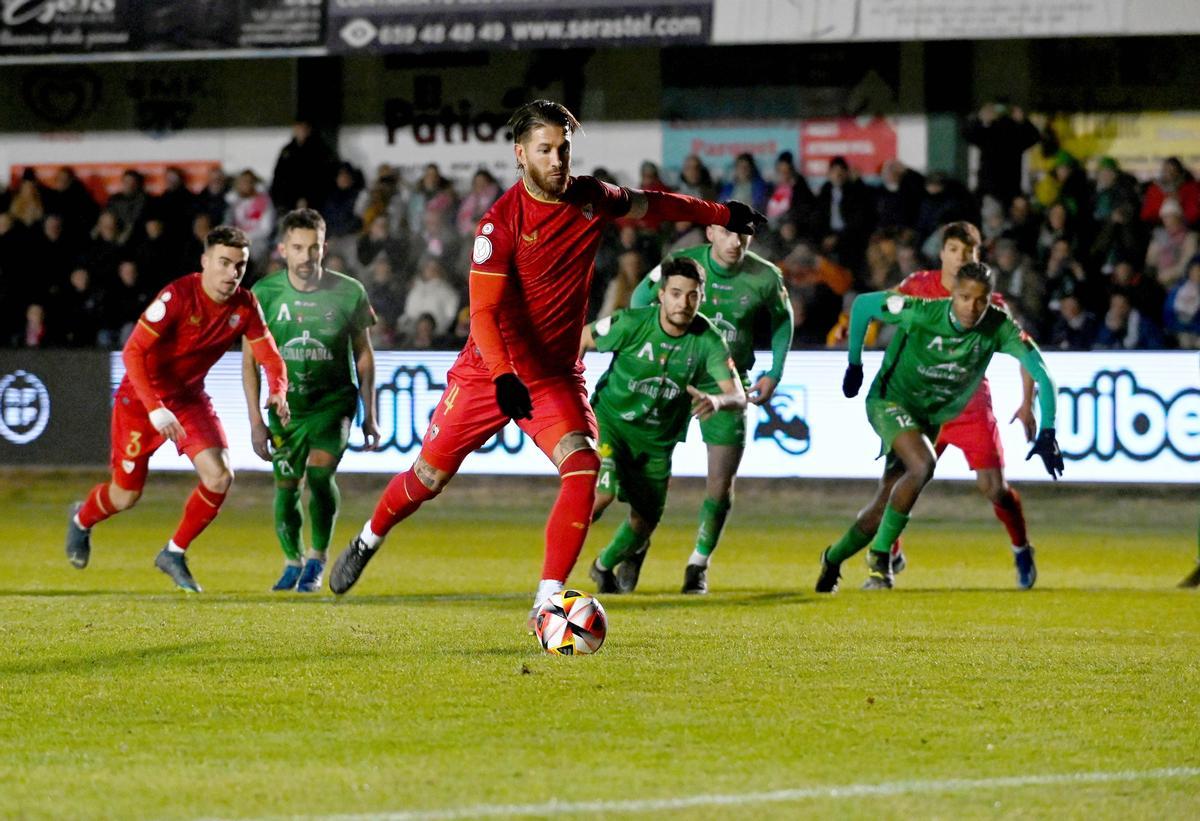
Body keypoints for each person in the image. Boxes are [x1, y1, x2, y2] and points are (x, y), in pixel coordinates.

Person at [325, 99, 766, 627]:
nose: (558, 160)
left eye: (564, 149)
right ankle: (369, 537)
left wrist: (721, 214)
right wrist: (505, 375)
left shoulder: (591, 198)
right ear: (520, 155)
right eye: (545, 150)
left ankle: (547, 602)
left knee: (583, 466)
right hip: (489, 371)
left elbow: (652, 204)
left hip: (554, 376)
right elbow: (483, 314)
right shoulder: (499, 226)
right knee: (427, 477)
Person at [65, 226, 289, 592]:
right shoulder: (178, 296)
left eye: (240, 266)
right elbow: (132, 352)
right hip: (140, 402)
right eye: (224, 263)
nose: (232, 273)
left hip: (187, 400)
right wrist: (154, 408)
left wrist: (278, 391)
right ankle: (82, 519)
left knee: (219, 476)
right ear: (204, 262)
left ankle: (173, 552)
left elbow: (270, 357)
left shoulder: (245, 305)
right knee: (125, 496)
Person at [816, 261, 1062, 592]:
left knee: (885, 504)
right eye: (963, 298)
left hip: (939, 413)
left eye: (980, 300)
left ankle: (833, 558)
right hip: (893, 402)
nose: (971, 308)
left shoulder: (997, 325)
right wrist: (854, 364)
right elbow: (862, 305)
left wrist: (1048, 430)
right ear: (952, 295)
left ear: (990, 298)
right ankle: (880, 557)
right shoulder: (922, 310)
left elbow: (1042, 372)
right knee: (923, 465)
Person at [624, 224, 793, 593]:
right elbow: (639, 301)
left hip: (728, 387)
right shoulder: (681, 266)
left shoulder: (765, 276)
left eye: (744, 236)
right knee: (650, 480)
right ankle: (634, 545)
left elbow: (784, 320)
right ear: (711, 232)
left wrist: (775, 372)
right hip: (673, 380)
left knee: (720, 484)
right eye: (729, 233)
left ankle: (698, 565)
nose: (736, 242)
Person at [887, 222, 1042, 587]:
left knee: (994, 488)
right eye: (954, 250)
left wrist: (1026, 402)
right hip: (924, 407)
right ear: (942, 253)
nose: (961, 258)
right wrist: (854, 327)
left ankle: (1021, 548)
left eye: (969, 252)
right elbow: (883, 304)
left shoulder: (991, 305)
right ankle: (889, 552)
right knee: (898, 480)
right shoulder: (917, 285)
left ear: (978, 257)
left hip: (970, 407)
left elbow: (1028, 355)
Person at [581, 258, 745, 594]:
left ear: (701, 297)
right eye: (675, 293)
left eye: (692, 295)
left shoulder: (707, 339)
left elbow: (738, 395)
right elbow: (582, 338)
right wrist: (572, 386)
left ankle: (602, 565)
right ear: (661, 294)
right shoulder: (630, 323)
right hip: (611, 425)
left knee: (645, 522)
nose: (683, 303)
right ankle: (551, 580)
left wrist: (717, 401)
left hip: (658, 441)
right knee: (603, 493)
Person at [242, 209, 379, 593]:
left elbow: (364, 354)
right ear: (283, 249)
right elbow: (249, 361)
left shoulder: (349, 291)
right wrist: (255, 420)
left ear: (324, 247)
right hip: (286, 410)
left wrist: (371, 413)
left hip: (333, 403)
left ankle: (317, 558)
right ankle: (292, 562)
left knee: (319, 475)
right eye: (298, 248)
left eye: (313, 247)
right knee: (286, 489)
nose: (306, 256)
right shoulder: (263, 295)